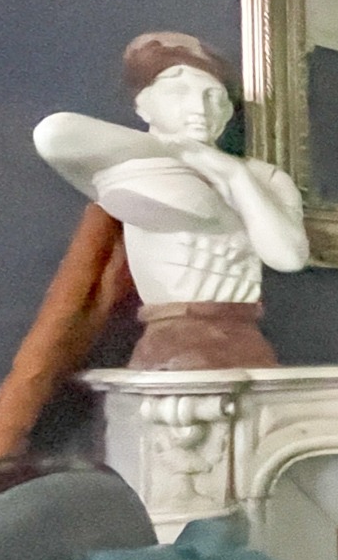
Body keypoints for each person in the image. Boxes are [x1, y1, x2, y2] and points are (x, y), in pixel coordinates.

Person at [33, 32, 309, 368]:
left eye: (214, 97)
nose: (200, 108)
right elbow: (54, 134)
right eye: (179, 91)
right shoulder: (136, 167)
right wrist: (177, 149)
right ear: (142, 105)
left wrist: (234, 174)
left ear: (226, 111)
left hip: (246, 335)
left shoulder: (265, 178)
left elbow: (287, 257)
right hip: (172, 341)